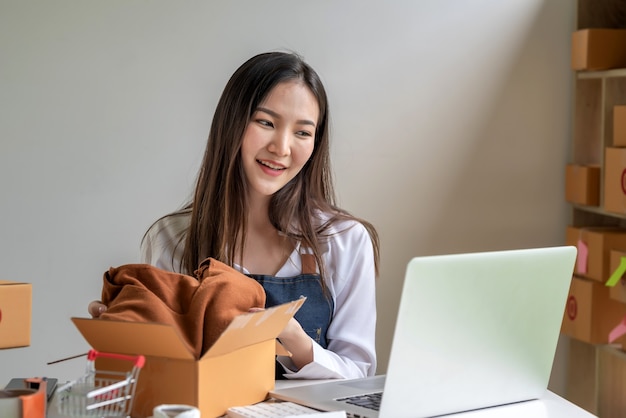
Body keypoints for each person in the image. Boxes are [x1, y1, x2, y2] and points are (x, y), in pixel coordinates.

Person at [89, 51, 380, 380]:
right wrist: (122, 337)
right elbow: (164, 377)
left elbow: (358, 375)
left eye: (302, 132)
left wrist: (296, 342)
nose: (282, 147)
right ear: (232, 123)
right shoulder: (174, 239)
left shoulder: (345, 239)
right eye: (266, 123)